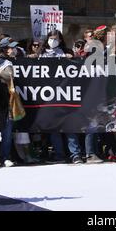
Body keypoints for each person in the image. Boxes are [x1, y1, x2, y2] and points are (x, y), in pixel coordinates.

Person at [38, 31, 83, 164]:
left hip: (66, 94)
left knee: (69, 125)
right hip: (49, 95)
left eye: (55, 38)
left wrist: (72, 58)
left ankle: (75, 154)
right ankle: (59, 154)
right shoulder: (42, 54)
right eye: (51, 38)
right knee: (54, 127)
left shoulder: (65, 52)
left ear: (60, 40)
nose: (53, 41)